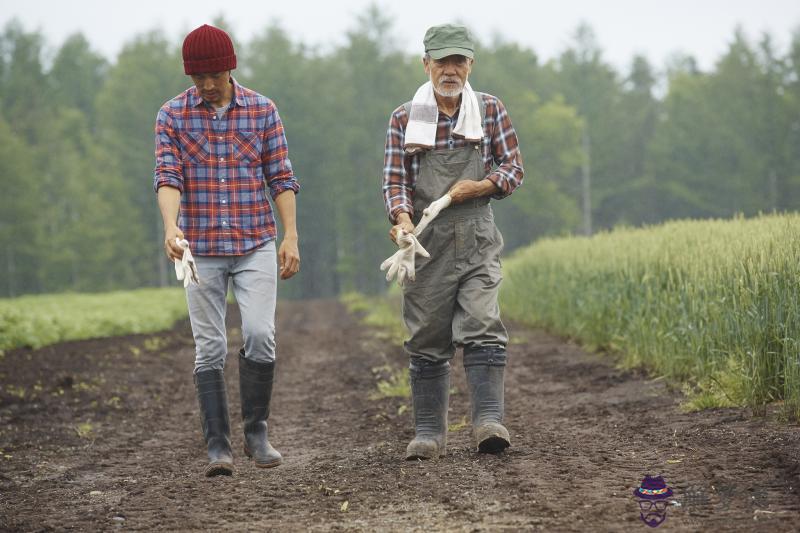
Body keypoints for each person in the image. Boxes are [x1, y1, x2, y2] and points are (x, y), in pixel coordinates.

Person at [153, 24, 300, 476]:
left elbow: (281, 177)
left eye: (215, 74)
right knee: (209, 347)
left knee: (259, 333)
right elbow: (168, 176)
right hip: (201, 248)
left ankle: (256, 433)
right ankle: (218, 445)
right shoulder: (172, 116)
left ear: (230, 68)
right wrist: (171, 226)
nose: (208, 85)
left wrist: (290, 235)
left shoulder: (261, 110)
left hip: (255, 241)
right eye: (199, 78)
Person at [382, 24, 524, 460]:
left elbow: (513, 168)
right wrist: (403, 220)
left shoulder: (489, 110)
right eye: (441, 61)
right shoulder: (405, 118)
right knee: (426, 334)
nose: (450, 70)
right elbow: (395, 182)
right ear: (426, 64)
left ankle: (487, 423)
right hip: (428, 243)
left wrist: (478, 187)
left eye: (458, 61)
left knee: (482, 321)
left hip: (478, 234)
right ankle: (428, 432)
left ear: (470, 65)